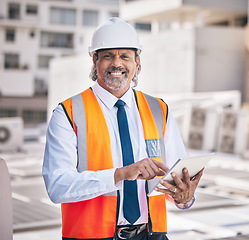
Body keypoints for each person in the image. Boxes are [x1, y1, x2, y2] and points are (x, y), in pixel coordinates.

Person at [42, 17, 204, 240]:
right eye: (108, 55)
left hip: (152, 235)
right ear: (94, 60)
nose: (116, 63)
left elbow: (173, 179)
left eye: (125, 56)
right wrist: (120, 174)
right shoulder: (68, 113)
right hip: (90, 237)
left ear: (137, 62)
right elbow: (57, 185)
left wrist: (184, 198)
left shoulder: (159, 110)